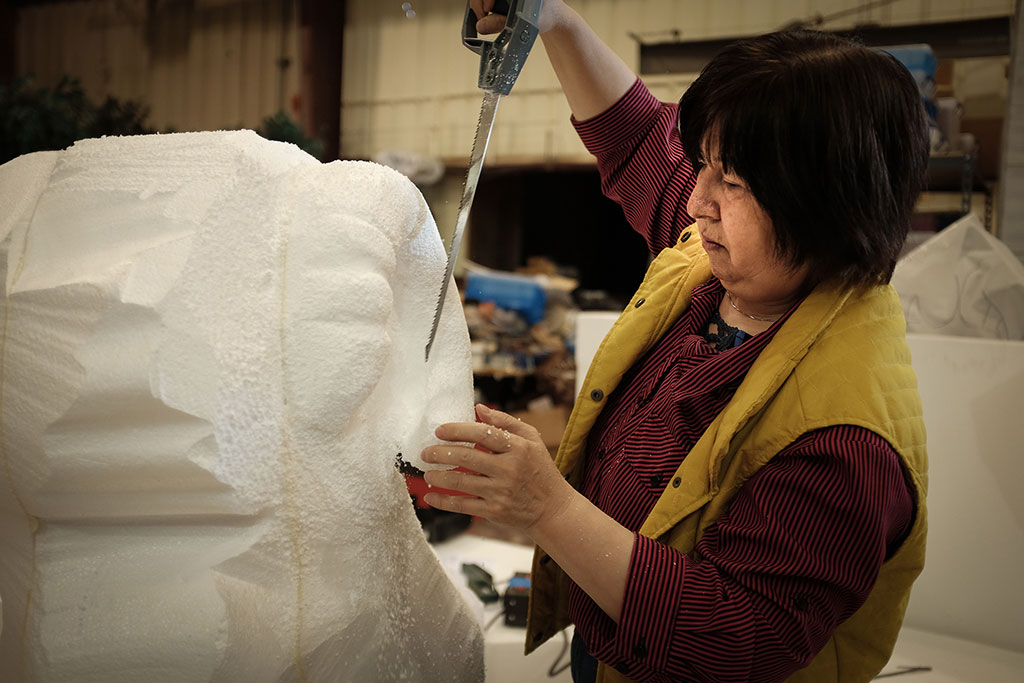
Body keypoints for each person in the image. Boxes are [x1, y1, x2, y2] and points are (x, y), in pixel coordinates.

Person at [421, 2, 929, 681]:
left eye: (732, 182)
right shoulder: (729, 265)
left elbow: (736, 638)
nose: (697, 202)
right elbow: (637, 139)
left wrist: (548, 507)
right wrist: (554, 20)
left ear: (825, 210)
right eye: (704, 167)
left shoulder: (843, 438)